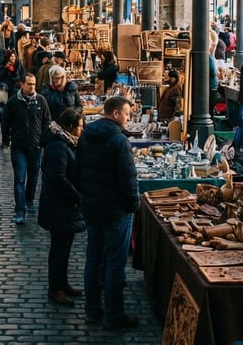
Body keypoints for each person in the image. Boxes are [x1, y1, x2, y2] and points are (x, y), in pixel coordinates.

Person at [76, 96, 140, 330]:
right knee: (115, 263)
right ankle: (114, 315)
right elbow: (128, 178)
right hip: (115, 211)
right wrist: (133, 205)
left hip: (92, 207)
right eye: (126, 114)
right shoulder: (118, 141)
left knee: (93, 259)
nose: (128, 118)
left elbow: (78, 170)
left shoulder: (86, 135)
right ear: (115, 114)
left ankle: (92, 310)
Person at [39, 108, 86, 307]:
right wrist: (76, 196)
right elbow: (57, 177)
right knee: (59, 248)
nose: (82, 130)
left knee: (65, 247)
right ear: (69, 127)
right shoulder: (59, 145)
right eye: (80, 126)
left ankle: (62, 283)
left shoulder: (65, 142)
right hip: (59, 205)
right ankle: (55, 288)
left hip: (64, 205)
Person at [4, 73, 52, 224]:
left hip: (35, 146)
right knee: (19, 179)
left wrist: (43, 141)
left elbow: (47, 122)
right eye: (29, 84)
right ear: (22, 84)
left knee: (33, 176)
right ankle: (20, 210)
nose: (32, 87)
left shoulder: (41, 101)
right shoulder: (13, 102)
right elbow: (6, 122)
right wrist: (7, 139)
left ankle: (29, 199)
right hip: (19, 146)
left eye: (33, 84)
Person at [0, 50, 25, 147]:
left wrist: (18, 80)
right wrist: (6, 69)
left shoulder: (19, 66)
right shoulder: (2, 66)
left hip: (15, 94)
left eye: (14, 56)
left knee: (15, 118)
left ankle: (14, 138)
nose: (12, 58)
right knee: (4, 119)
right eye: (11, 56)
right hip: (4, 95)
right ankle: (5, 140)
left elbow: (23, 76)